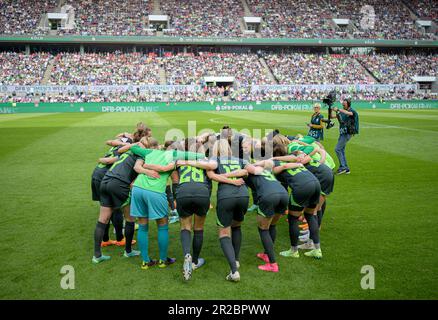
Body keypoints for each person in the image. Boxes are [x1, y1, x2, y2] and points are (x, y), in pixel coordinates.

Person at [128, 138, 206, 270]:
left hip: (138, 188)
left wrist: (145, 163)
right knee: (162, 225)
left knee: (142, 225)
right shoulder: (174, 155)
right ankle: (163, 260)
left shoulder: (149, 152)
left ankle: (145, 261)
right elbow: (199, 156)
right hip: (155, 191)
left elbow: (133, 148)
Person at [207, 139, 249, 282]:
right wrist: (234, 176)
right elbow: (246, 172)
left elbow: (211, 176)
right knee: (236, 226)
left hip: (226, 196)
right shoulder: (239, 159)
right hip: (243, 195)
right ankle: (236, 259)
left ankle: (234, 271)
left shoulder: (215, 159)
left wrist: (225, 178)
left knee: (224, 231)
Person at [174, 139, 214, 280]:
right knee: (199, 228)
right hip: (202, 192)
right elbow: (210, 181)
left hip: (183, 191)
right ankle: (195, 261)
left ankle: (187, 254)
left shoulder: (179, 160)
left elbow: (175, 180)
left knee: (185, 226)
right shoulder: (204, 160)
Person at [245, 163, 289, 272]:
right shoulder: (263, 170)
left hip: (269, 196)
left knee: (263, 229)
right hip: (283, 194)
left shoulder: (245, 170)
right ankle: (266, 254)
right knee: (272, 225)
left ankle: (272, 264)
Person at [331, 98, 359, 175]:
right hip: (342, 133)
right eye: (343, 104)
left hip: (347, 133)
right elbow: (332, 117)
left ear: (348, 104)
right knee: (341, 150)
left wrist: (338, 110)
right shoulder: (342, 111)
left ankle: (343, 167)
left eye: (344, 104)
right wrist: (330, 109)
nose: (343, 105)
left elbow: (349, 113)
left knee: (337, 149)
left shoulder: (352, 111)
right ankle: (346, 168)